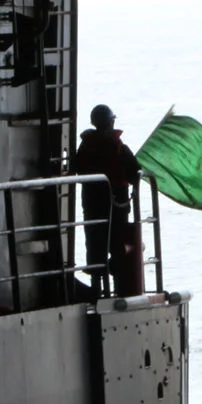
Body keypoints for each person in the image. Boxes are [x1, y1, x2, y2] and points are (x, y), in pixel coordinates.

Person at [71, 103, 145, 297]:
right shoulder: (119, 147)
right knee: (118, 247)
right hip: (116, 206)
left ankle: (97, 290)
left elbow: (77, 168)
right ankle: (119, 289)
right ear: (111, 122)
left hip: (92, 206)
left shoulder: (85, 145)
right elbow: (134, 174)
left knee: (95, 247)